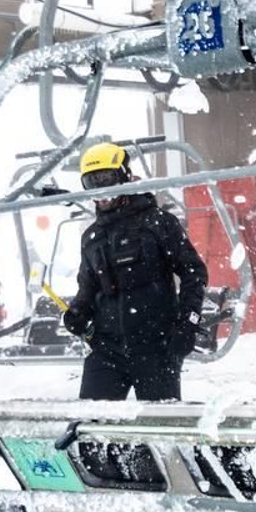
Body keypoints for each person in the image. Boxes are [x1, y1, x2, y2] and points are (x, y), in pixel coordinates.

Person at [61, 142, 208, 401]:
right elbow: (88, 287)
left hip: (156, 346)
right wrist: (78, 312)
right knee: (92, 425)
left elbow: (193, 272)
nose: (101, 191)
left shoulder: (158, 223)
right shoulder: (92, 238)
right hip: (108, 348)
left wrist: (188, 323)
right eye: (91, 182)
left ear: (125, 177)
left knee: (159, 429)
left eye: (107, 179)